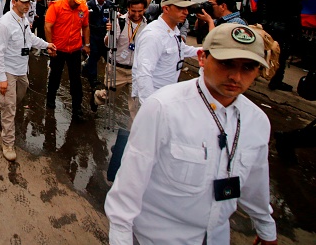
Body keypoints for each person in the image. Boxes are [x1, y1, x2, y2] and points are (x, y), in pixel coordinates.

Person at [105, 23, 278, 245]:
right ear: (203, 58)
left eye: (248, 67)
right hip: (157, 238)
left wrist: (266, 227)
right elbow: (126, 192)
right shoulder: (163, 108)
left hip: (217, 237)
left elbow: (256, 181)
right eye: (226, 63)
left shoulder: (257, 121)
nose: (236, 76)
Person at [0, 0, 56, 161]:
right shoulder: (4, 24)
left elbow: (30, 39)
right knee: (10, 108)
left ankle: (1, 104)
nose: (28, 5)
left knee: (18, 98)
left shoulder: (24, 19)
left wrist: (46, 44)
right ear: (14, 2)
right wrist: (2, 79)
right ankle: (8, 142)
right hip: (8, 70)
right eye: (24, 2)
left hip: (21, 70)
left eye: (29, 2)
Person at [131, 0, 199, 107]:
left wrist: (204, 50)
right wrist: (150, 105)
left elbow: (181, 49)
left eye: (187, 8)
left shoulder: (173, 29)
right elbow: (144, 73)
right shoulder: (153, 35)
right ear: (166, 9)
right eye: (180, 8)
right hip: (154, 97)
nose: (186, 12)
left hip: (166, 94)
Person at [95, 0, 148, 121]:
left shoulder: (148, 25)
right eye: (133, 11)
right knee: (107, 98)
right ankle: (96, 96)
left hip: (135, 70)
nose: (136, 14)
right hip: (117, 68)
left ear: (145, 9)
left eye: (140, 11)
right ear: (128, 9)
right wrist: (110, 33)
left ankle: (135, 132)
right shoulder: (119, 22)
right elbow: (107, 44)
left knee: (136, 105)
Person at [45, 0, 91, 120]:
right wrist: (50, 46)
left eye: (80, 3)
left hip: (75, 49)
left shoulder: (83, 8)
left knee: (76, 80)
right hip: (58, 49)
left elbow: (86, 26)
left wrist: (87, 44)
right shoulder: (56, 6)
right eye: (76, 2)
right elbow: (48, 27)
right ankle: (50, 100)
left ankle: (77, 109)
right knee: (55, 75)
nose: (78, 5)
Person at [258, 0, 302, 91]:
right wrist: (297, 32)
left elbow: (260, 9)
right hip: (284, 29)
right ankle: (276, 81)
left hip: (266, 26)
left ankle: (254, 72)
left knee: (262, 50)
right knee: (281, 55)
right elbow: (295, 14)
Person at [83, 0, 113, 90]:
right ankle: (93, 79)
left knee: (106, 55)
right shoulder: (89, 5)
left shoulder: (109, 5)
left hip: (104, 34)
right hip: (92, 33)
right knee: (94, 54)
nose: (103, 0)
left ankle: (86, 69)